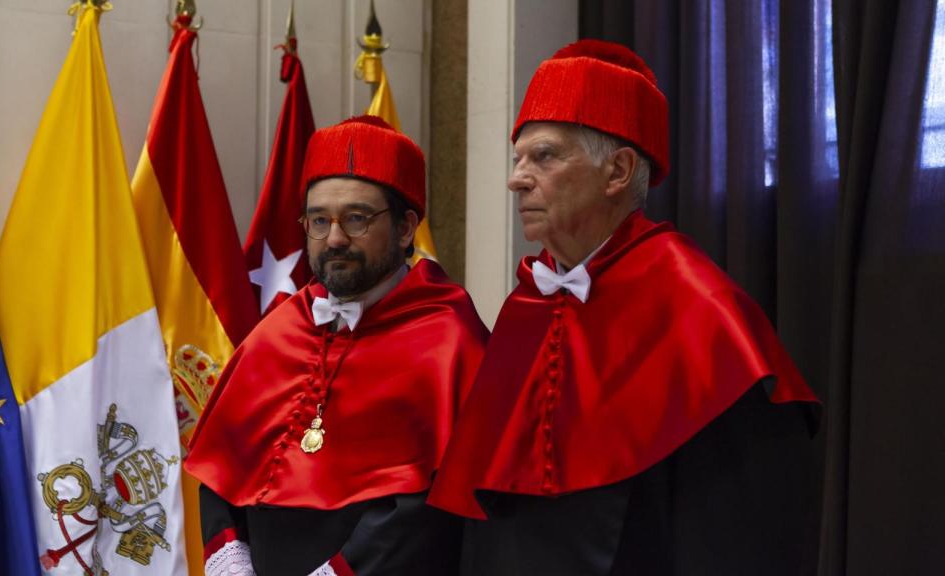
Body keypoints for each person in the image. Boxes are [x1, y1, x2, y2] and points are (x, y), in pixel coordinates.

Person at [427, 40, 821, 575]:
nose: (515, 179)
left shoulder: (700, 311)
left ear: (617, 171)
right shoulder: (529, 306)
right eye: (517, 158)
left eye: (543, 156)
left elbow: (746, 534)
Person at [186, 116, 489, 576]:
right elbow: (223, 466)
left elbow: (429, 508)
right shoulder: (278, 331)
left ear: (406, 228)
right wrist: (229, 554)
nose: (334, 239)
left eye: (356, 219)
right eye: (319, 220)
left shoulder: (449, 337)